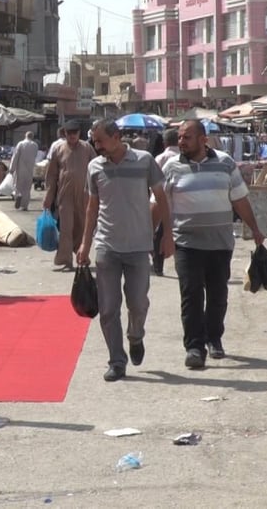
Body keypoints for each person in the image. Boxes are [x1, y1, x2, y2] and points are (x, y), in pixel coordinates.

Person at [77, 119, 174, 382]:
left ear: (117, 137)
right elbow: (92, 207)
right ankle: (116, 361)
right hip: (107, 246)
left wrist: (167, 236)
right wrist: (85, 243)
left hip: (139, 247)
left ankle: (136, 336)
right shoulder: (94, 167)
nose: (96, 146)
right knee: (108, 309)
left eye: (100, 141)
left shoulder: (144, 161)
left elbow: (161, 198)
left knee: (138, 303)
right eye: (94, 141)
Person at [164, 120, 265, 370]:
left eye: (186, 137)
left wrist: (254, 228)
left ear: (202, 139)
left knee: (218, 295)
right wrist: (150, 234)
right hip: (186, 242)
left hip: (220, 243)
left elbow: (239, 199)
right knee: (191, 295)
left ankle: (214, 338)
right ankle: (194, 347)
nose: (181, 142)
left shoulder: (225, 163)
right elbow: (160, 204)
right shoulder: (171, 166)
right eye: (179, 137)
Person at [44, 119, 96, 271]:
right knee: (66, 228)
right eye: (69, 133)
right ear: (64, 134)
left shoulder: (87, 148)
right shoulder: (58, 149)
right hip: (65, 195)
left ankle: (81, 255)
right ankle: (66, 260)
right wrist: (48, 196)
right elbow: (52, 175)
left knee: (83, 227)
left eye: (75, 133)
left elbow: (96, 169)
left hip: (85, 194)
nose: (72, 136)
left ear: (79, 133)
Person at [152, 128, 181, 276]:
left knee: (160, 234)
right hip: (182, 208)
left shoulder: (160, 158)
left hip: (163, 205)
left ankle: (158, 266)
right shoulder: (183, 157)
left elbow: (153, 185)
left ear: (164, 142)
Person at [9, 131, 40, 211]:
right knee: (27, 188)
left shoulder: (21, 144)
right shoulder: (35, 145)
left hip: (20, 169)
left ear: (25, 136)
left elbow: (15, 156)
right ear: (32, 137)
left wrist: (12, 169)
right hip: (30, 169)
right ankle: (25, 205)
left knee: (18, 186)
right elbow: (35, 156)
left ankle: (18, 196)